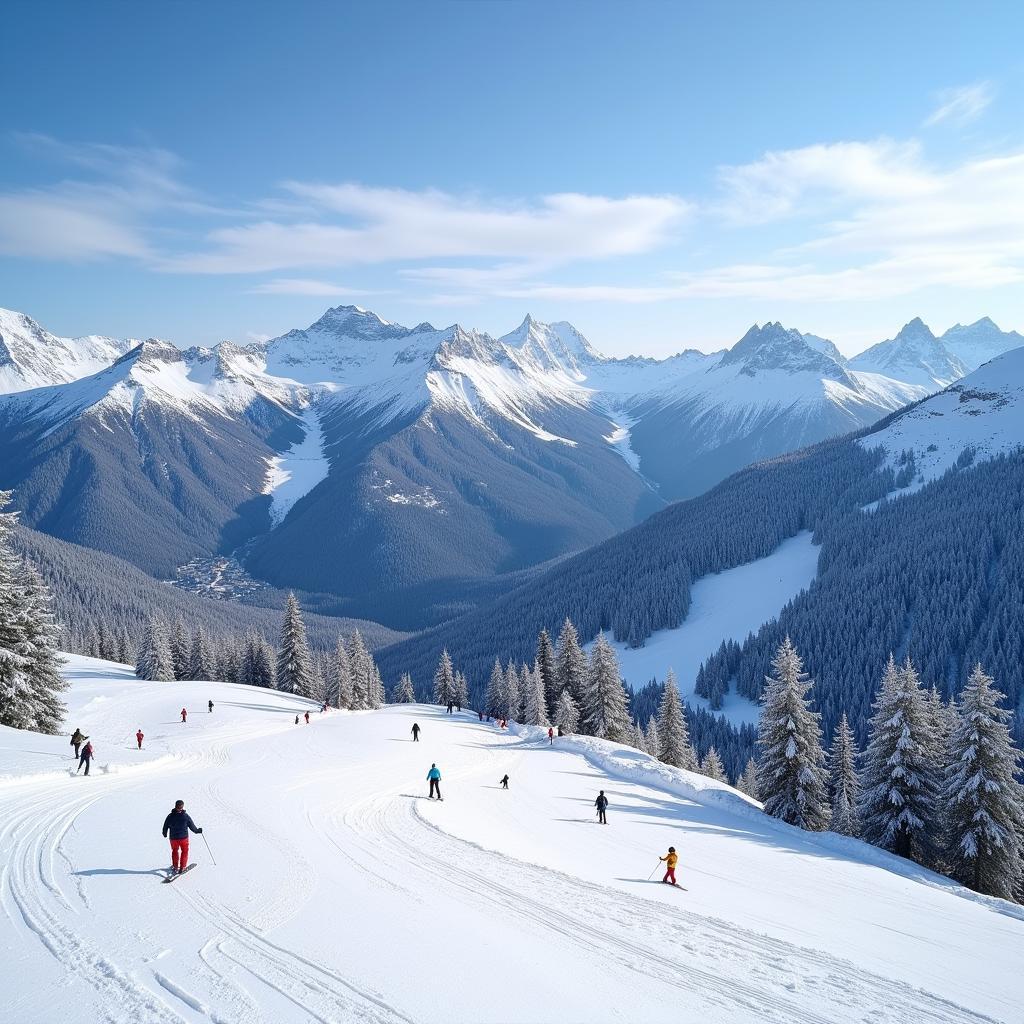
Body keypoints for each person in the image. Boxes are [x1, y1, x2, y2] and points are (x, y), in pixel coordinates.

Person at [162, 799, 202, 875]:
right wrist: (197, 831)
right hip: (184, 838)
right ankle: (182, 867)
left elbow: (165, 825)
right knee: (184, 851)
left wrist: (164, 833)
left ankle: (175, 866)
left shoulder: (170, 816)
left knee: (174, 851)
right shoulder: (185, 816)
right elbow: (192, 826)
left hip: (173, 838)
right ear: (182, 807)